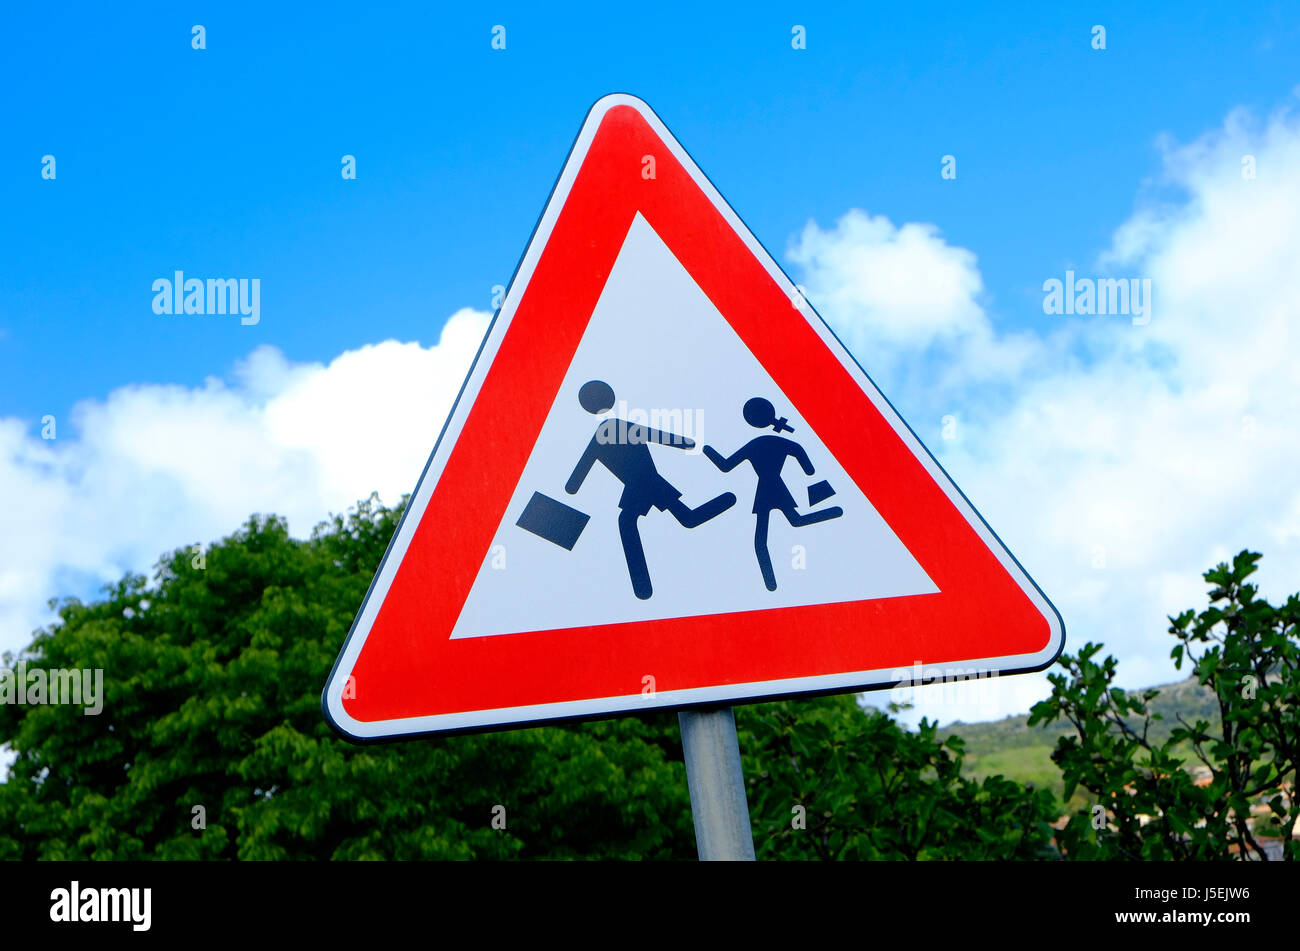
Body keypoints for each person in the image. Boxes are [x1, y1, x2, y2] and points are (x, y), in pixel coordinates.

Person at [566, 380, 736, 600]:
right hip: (642, 482)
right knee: (680, 518)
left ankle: (642, 586)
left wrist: (573, 486)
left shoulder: (610, 430)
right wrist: (686, 443)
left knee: (636, 521)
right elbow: (585, 464)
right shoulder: (613, 430)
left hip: (645, 481)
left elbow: (583, 467)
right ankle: (642, 586)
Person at [704, 397, 843, 591]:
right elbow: (799, 450)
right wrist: (808, 469)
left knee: (761, 539)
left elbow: (726, 465)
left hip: (767, 487)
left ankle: (771, 584)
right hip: (775, 485)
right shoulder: (779, 441)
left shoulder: (756, 444)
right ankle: (833, 512)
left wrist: (707, 450)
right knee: (794, 521)